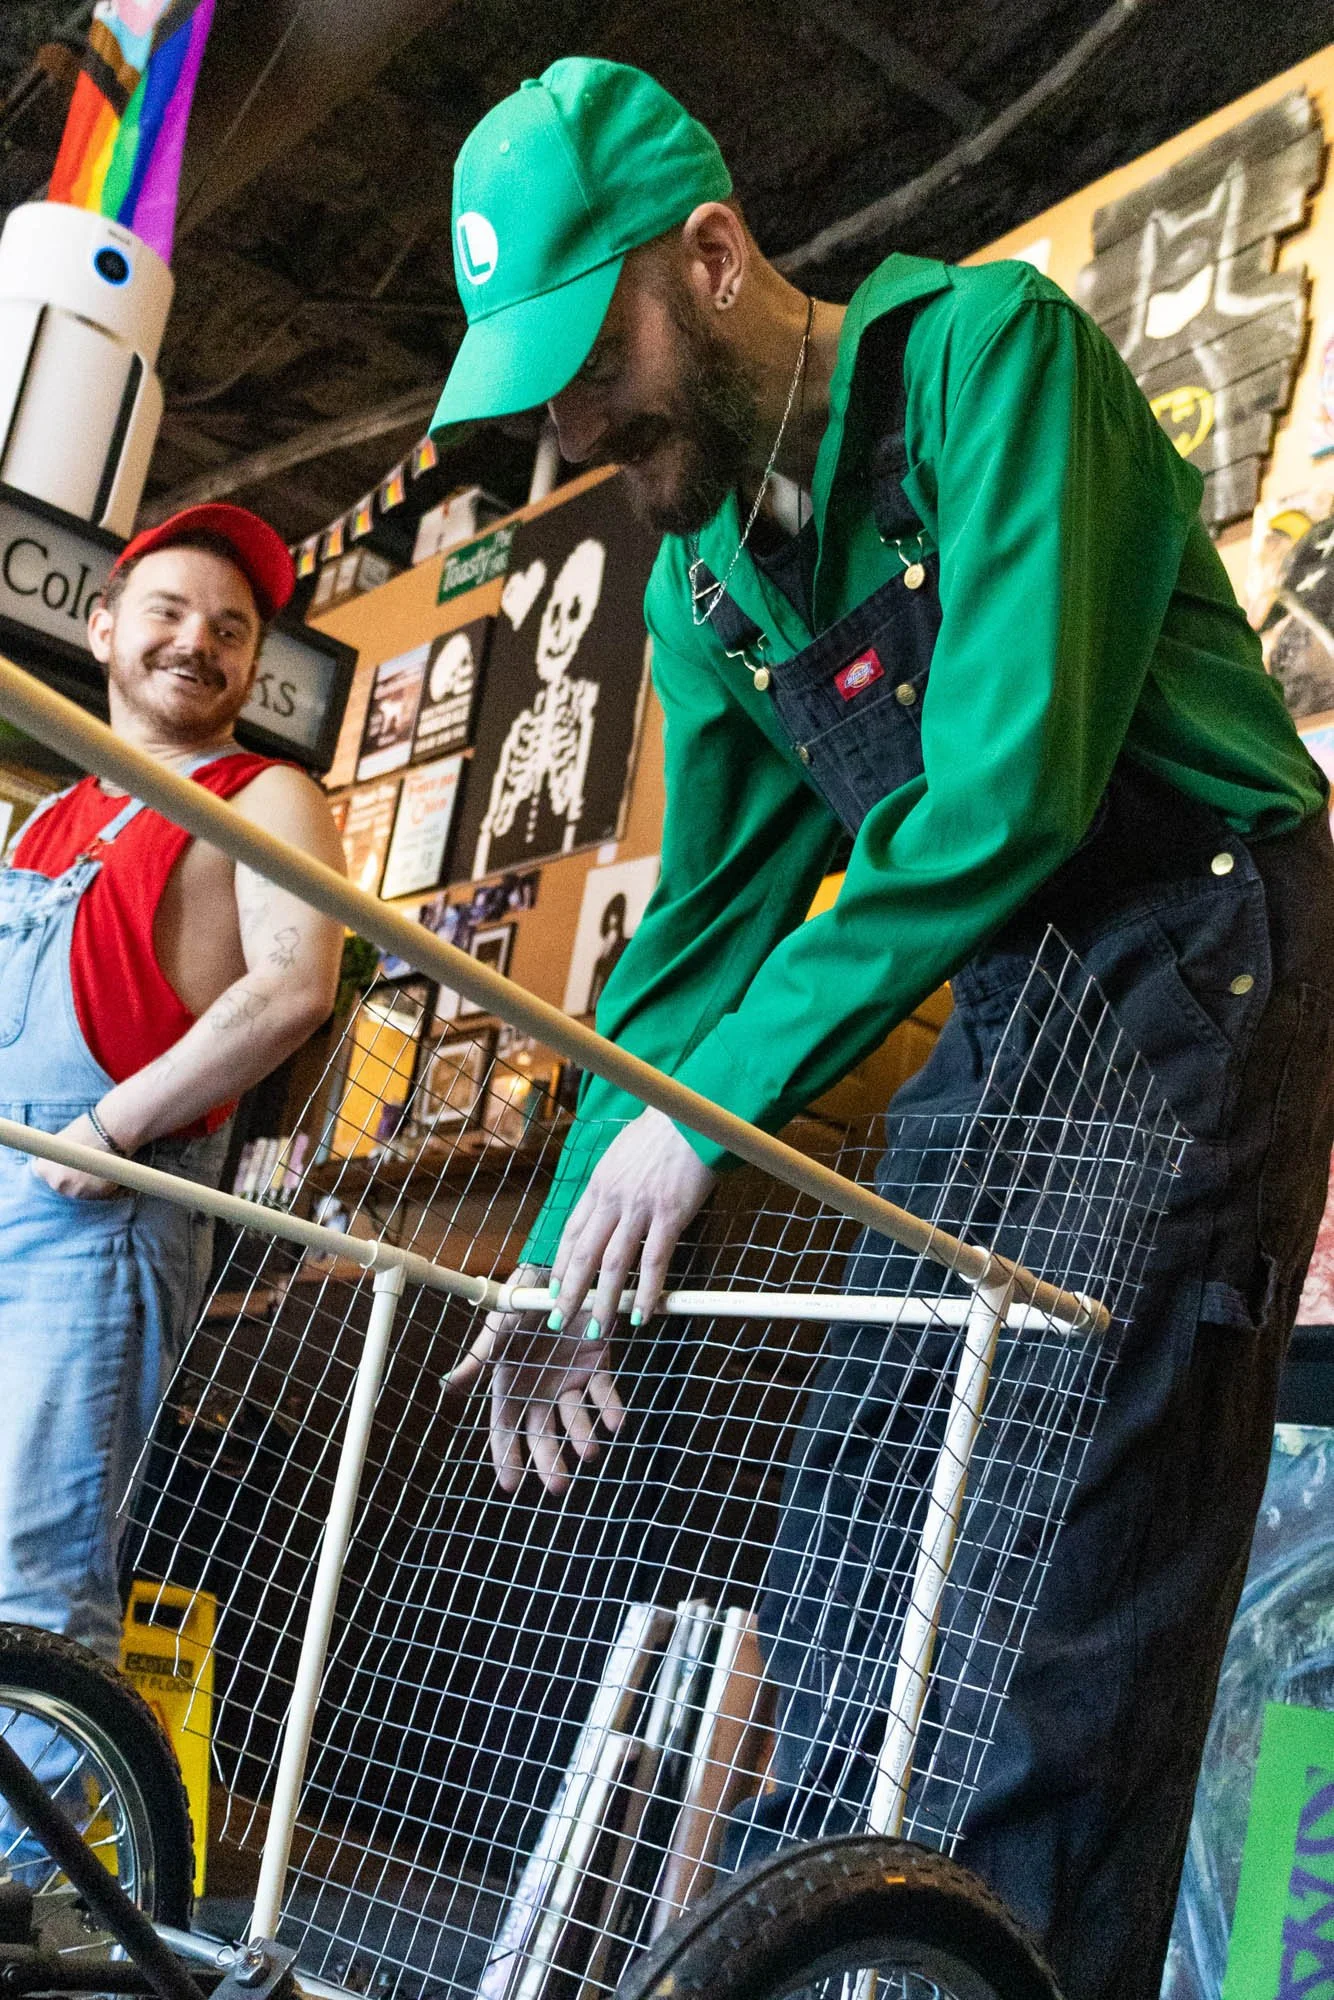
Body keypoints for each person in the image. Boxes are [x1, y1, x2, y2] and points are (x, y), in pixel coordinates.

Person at [432, 58, 1334, 2000]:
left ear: (711, 256)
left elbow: (1008, 790)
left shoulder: (988, 361)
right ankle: (835, 1955)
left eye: (590, 365)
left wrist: (701, 1125)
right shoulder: (708, 586)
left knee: (1074, 1552)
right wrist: (559, 1233)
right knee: (862, 1496)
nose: (571, 432)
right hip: (1008, 991)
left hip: (1199, 943)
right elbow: (698, 936)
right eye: (536, 397)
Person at [0, 502, 345, 1664]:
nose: (198, 640)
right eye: (170, 611)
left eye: (230, 628)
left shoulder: (266, 791)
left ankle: (63, 1798)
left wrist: (107, 1129)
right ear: (103, 630)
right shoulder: (53, 815)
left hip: (99, 1205)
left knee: (37, 1584)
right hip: (13, 1171)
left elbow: (294, 984)